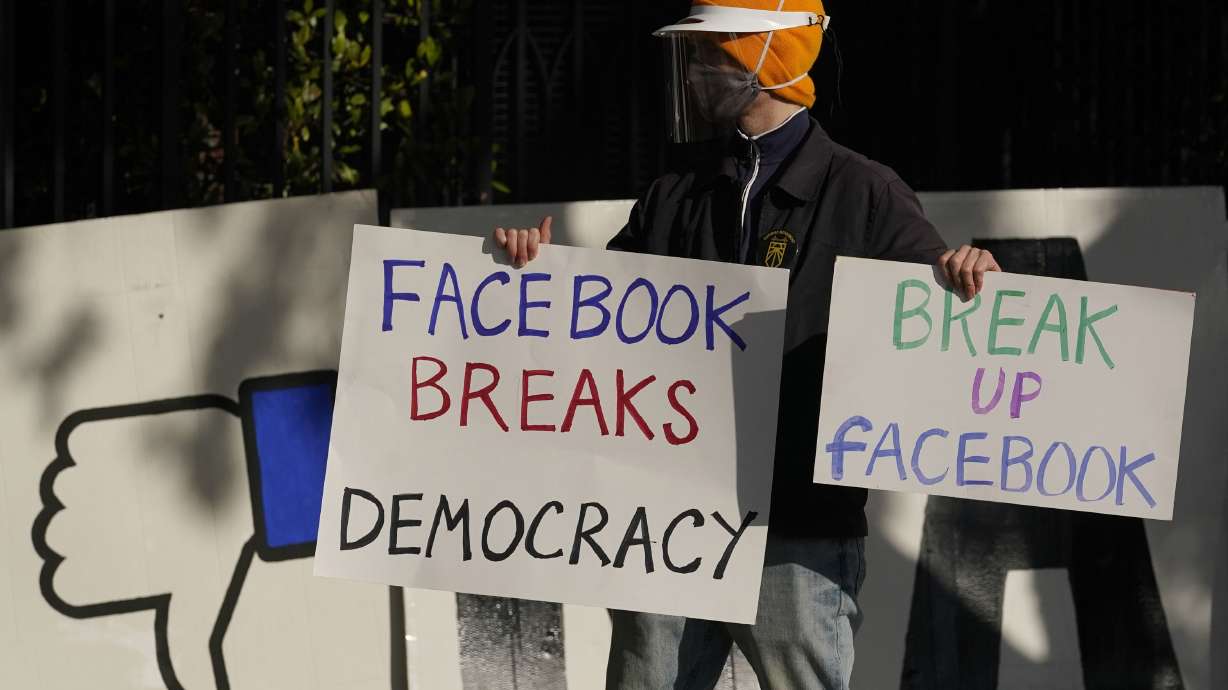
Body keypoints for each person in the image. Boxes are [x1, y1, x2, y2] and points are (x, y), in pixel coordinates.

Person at [493, 1, 1000, 688]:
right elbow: (599, 326)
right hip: (669, 519)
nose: (693, 72)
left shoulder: (865, 193)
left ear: (764, 57)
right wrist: (534, 275)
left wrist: (971, 274)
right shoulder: (674, 193)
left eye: (710, 53)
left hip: (798, 529)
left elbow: (939, 315)